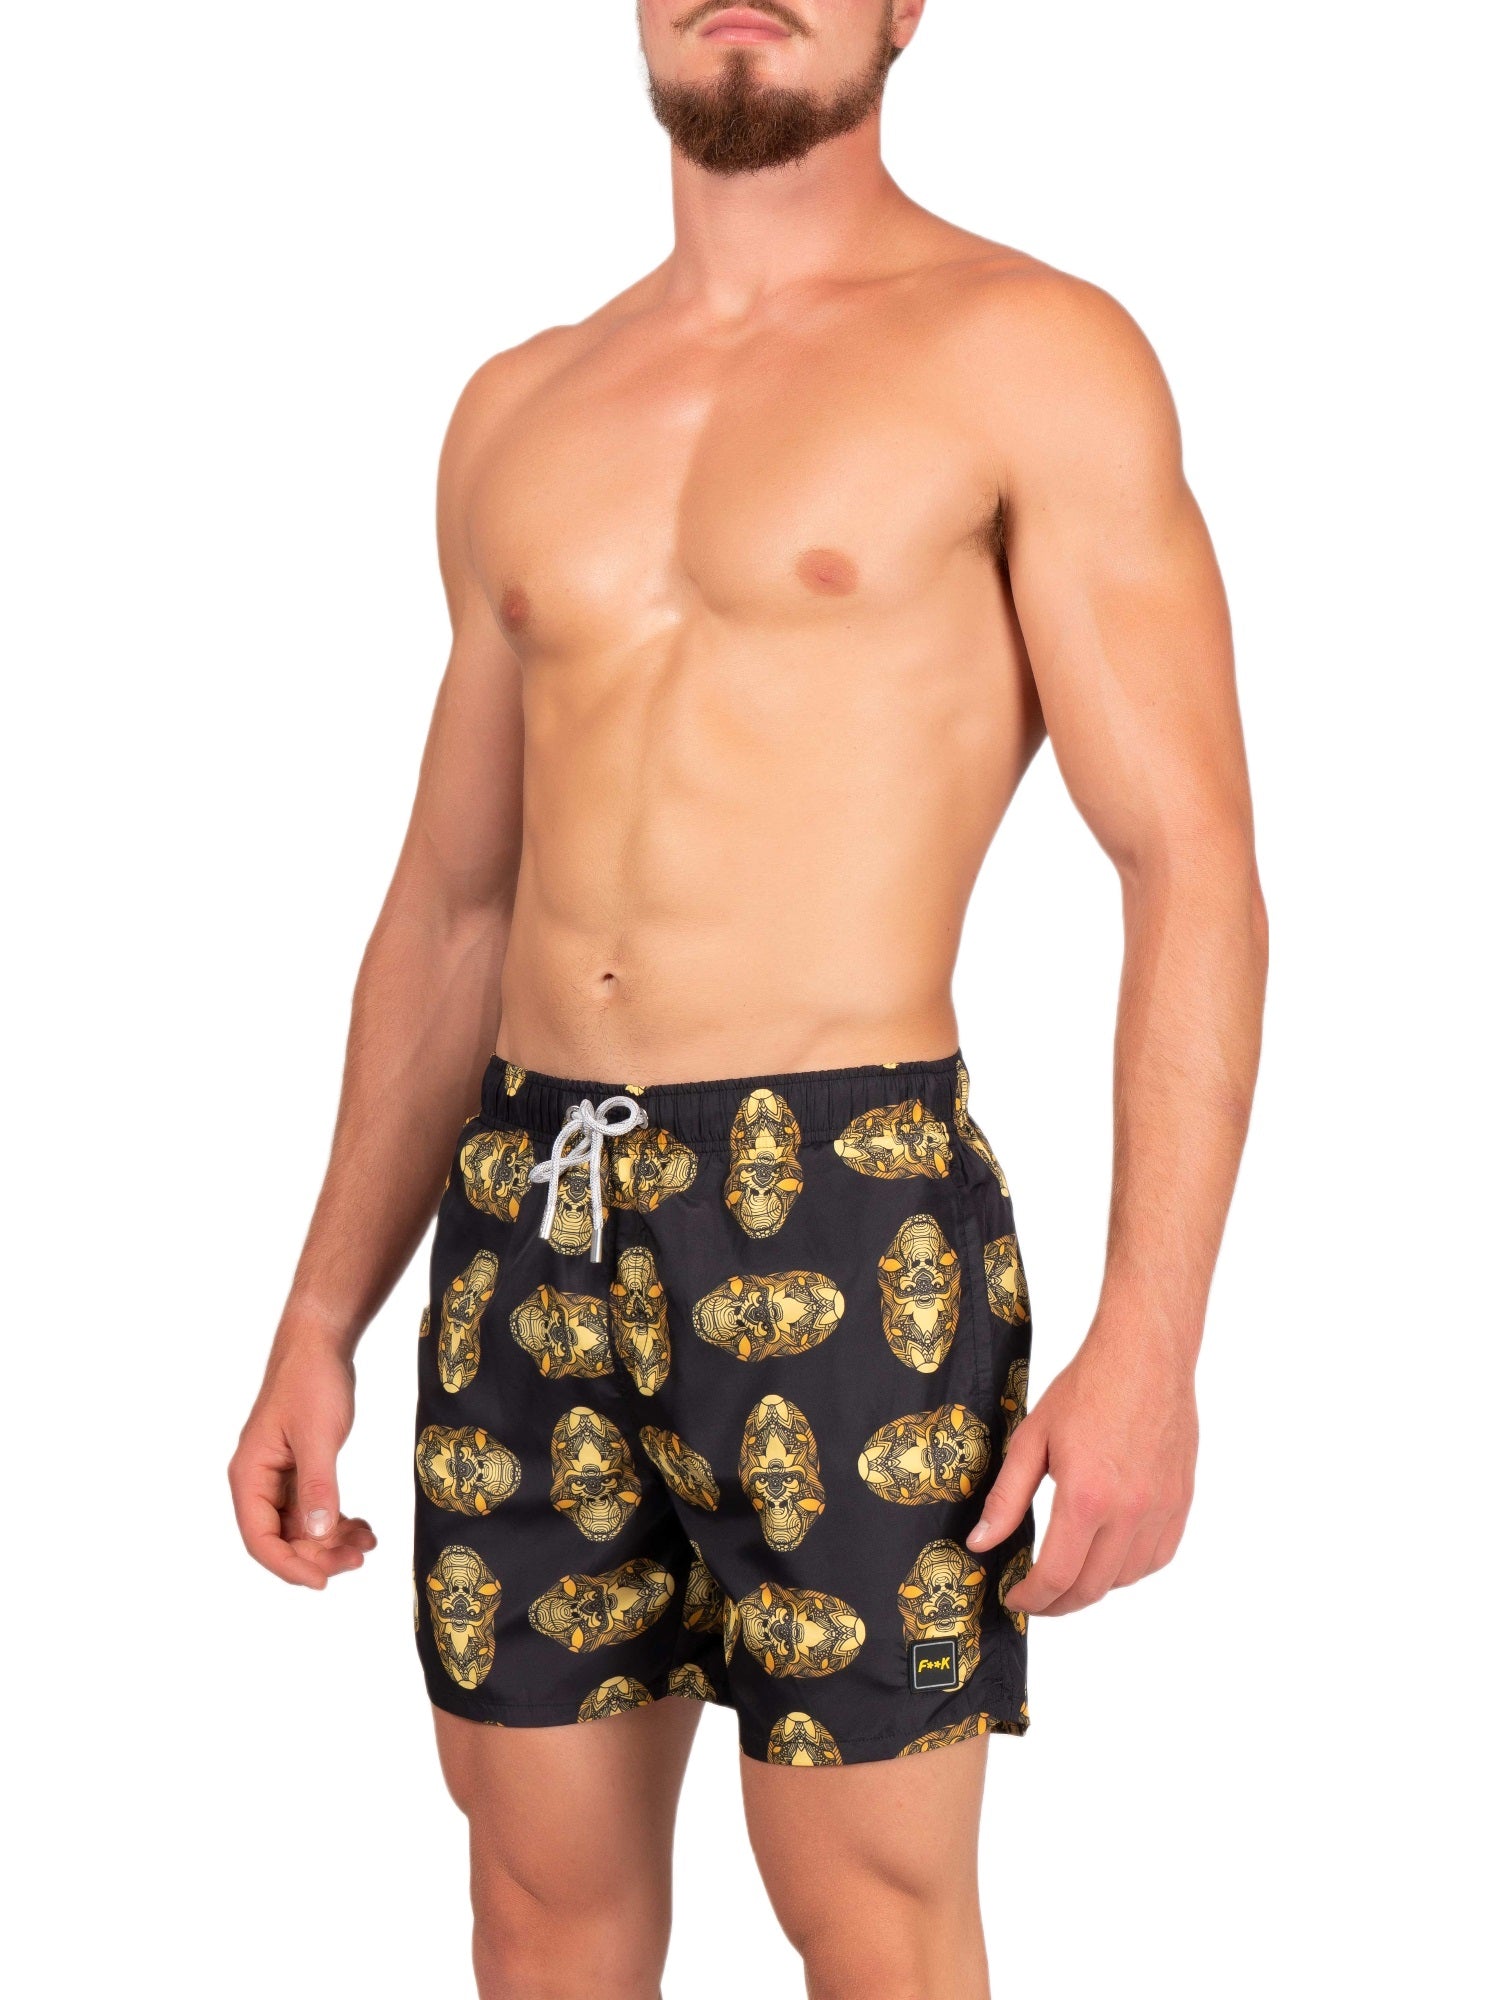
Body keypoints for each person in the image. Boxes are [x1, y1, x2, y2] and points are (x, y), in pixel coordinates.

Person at [230, 4, 1268, 1994]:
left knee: (870, 1911)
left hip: (843, 1202)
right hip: (524, 1215)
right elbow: (454, 904)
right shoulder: (522, 405)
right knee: (537, 1901)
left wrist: (1154, 1340)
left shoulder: (1029, 354)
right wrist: (313, 1315)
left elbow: (1191, 862)